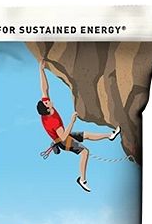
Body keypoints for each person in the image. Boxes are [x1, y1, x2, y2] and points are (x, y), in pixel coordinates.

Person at [37, 60, 121, 192]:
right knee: (85, 152)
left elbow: (44, 89)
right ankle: (82, 179)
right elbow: (63, 137)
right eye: (47, 103)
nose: (48, 101)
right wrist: (72, 121)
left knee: (86, 135)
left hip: (61, 136)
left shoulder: (46, 108)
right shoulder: (53, 122)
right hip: (62, 141)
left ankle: (110, 135)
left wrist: (41, 71)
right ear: (47, 109)